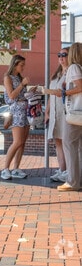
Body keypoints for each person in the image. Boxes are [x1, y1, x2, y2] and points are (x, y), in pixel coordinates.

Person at [1, 54, 36, 180]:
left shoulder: (19, 78)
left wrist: (30, 91)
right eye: (21, 65)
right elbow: (11, 96)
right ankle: (5, 168)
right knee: (17, 141)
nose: (23, 67)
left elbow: (22, 95)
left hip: (25, 110)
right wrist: (22, 84)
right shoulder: (8, 78)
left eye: (24, 65)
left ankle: (16, 168)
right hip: (16, 111)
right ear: (15, 64)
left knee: (23, 142)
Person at [42, 47, 69, 183]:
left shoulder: (72, 73)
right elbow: (51, 95)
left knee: (66, 142)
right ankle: (62, 169)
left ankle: (69, 171)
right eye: (59, 54)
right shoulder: (57, 74)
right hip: (54, 113)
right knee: (57, 141)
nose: (61, 57)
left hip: (64, 112)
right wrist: (46, 112)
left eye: (64, 54)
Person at [58, 42, 82, 191]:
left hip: (75, 113)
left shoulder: (74, 68)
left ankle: (72, 181)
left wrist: (65, 92)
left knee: (68, 144)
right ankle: (78, 180)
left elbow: (80, 87)